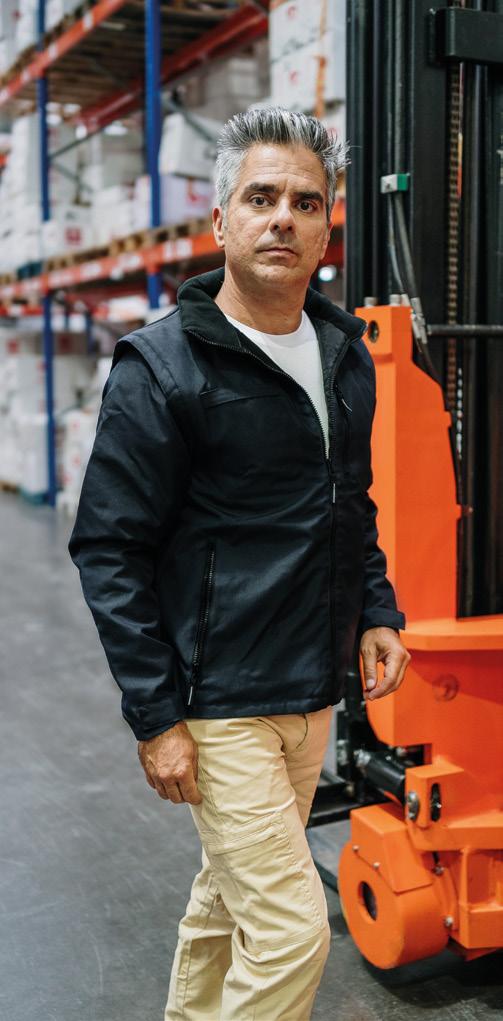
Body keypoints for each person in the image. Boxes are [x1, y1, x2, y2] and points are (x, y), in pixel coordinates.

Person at [68, 107, 410, 1021]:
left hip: (311, 687)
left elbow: (349, 503)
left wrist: (377, 608)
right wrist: (155, 716)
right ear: (221, 220)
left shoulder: (343, 356)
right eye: (260, 198)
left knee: (229, 898)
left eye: (306, 202)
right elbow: (109, 547)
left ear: (327, 228)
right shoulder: (161, 367)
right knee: (293, 929)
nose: (282, 218)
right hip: (218, 699)